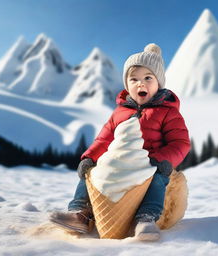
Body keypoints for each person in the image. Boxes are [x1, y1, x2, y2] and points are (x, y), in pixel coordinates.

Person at [50, 43, 191, 241]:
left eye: (148, 78)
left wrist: (161, 160)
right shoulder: (120, 112)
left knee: (157, 181)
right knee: (90, 175)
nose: (140, 84)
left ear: (159, 82)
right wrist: (90, 157)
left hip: (150, 164)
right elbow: (104, 138)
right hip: (119, 163)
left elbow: (180, 142)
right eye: (134, 79)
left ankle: (146, 221)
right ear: (127, 85)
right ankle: (79, 214)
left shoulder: (168, 112)